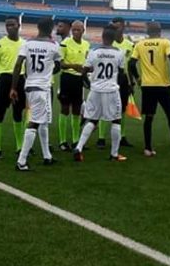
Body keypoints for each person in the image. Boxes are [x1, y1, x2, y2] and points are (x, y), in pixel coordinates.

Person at [11, 17, 80, 171]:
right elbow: (59, 65)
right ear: (51, 29)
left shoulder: (27, 44)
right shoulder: (53, 46)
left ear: (38, 27)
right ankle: (21, 161)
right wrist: (73, 66)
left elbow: (18, 65)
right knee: (35, 122)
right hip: (42, 88)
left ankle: (47, 156)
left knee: (43, 121)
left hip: (31, 85)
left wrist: (13, 88)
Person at [129, 22, 170, 156]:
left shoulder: (140, 44)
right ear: (160, 31)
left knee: (149, 117)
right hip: (163, 85)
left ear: (147, 32)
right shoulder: (165, 42)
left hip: (147, 86)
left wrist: (137, 77)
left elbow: (131, 63)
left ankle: (148, 148)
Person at [73, 25, 127, 162]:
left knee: (92, 119)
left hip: (95, 90)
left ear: (102, 37)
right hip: (111, 90)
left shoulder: (93, 52)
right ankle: (114, 154)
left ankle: (79, 147)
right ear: (114, 38)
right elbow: (121, 74)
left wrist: (89, 84)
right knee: (116, 120)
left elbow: (84, 72)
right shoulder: (119, 53)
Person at [0, 16, 25, 159]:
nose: (9, 28)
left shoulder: (24, 44)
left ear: (18, 25)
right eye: (7, 25)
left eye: (12, 25)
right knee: (0, 113)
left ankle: (19, 147)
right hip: (5, 79)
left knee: (18, 113)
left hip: (20, 79)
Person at [57, 20, 90, 151]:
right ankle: (62, 141)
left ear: (83, 31)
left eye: (78, 30)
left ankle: (76, 140)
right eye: (74, 30)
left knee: (77, 110)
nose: (75, 32)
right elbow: (60, 64)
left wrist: (86, 72)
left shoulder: (86, 44)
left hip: (79, 80)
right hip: (67, 78)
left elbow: (86, 62)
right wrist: (73, 66)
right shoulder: (65, 43)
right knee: (65, 109)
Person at [110, 17, 135, 148]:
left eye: (118, 27)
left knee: (122, 108)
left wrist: (132, 83)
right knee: (106, 107)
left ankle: (122, 136)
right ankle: (101, 138)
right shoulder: (109, 44)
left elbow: (130, 66)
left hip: (124, 79)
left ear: (123, 27)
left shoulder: (129, 45)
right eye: (114, 27)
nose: (116, 29)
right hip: (110, 78)